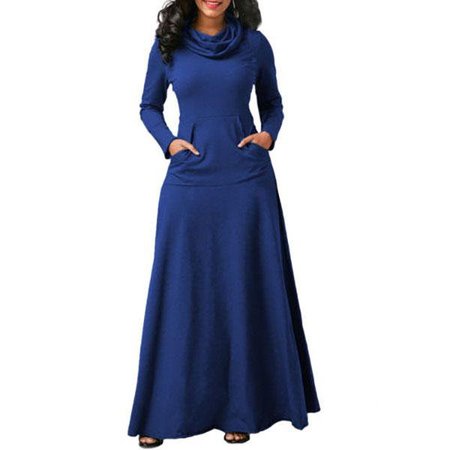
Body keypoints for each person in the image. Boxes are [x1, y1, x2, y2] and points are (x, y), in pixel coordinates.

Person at [128, 0, 321, 447]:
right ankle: (162, 413)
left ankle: (243, 409)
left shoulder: (255, 44)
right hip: (189, 181)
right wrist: (169, 143)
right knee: (180, 289)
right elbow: (148, 106)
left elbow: (273, 103)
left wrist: (268, 135)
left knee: (243, 287)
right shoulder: (167, 45)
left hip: (246, 181)